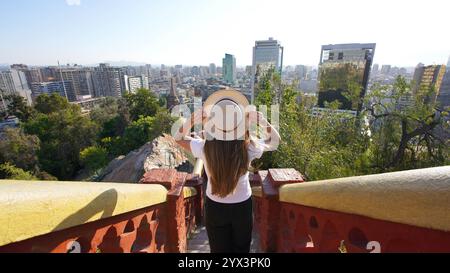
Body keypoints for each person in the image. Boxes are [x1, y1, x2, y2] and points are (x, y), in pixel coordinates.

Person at [175, 89, 281, 253]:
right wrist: (263, 122)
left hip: (214, 206)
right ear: (239, 123)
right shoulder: (248, 147)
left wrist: (190, 120)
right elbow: (275, 141)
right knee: (241, 249)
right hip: (242, 206)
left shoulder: (204, 147)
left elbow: (178, 138)